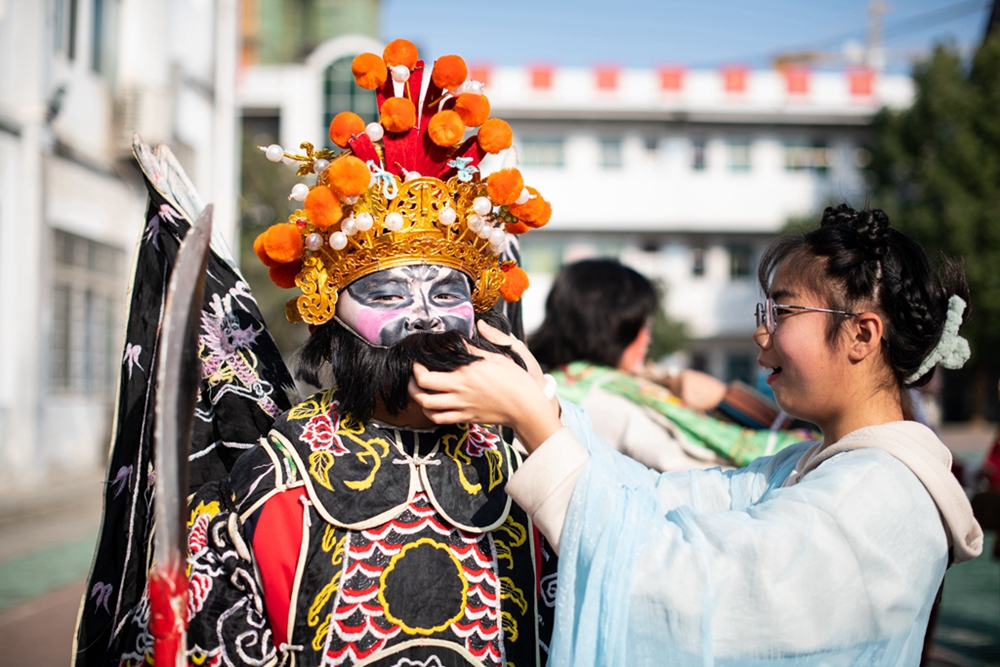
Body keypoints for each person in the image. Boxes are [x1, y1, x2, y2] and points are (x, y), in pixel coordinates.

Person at [77, 39, 559, 667]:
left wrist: (539, 428)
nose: (422, 314)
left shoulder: (533, 460)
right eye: (386, 291)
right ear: (330, 314)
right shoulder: (278, 474)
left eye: (447, 291)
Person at [408, 205, 984, 666]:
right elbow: (653, 498)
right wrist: (540, 408)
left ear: (861, 335)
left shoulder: (877, 500)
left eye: (781, 312)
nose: (762, 336)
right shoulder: (813, 466)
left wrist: (536, 424)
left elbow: (682, 585)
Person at [530, 258, 807, 471]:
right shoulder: (604, 401)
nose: (647, 336)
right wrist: (725, 398)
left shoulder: (569, 386)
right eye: (643, 324)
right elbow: (707, 472)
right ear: (612, 327)